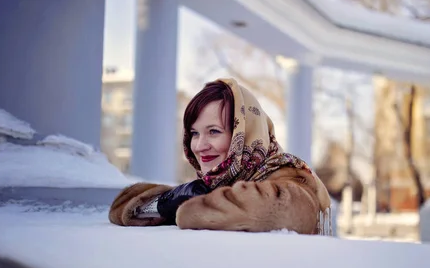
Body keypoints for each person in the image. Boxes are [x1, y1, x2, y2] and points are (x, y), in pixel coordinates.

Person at [109, 78, 332, 235]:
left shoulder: (294, 179)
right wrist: (169, 201)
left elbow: (274, 208)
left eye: (214, 131)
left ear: (244, 133)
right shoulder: (219, 183)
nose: (199, 145)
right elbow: (122, 208)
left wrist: (192, 208)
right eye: (195, 133)